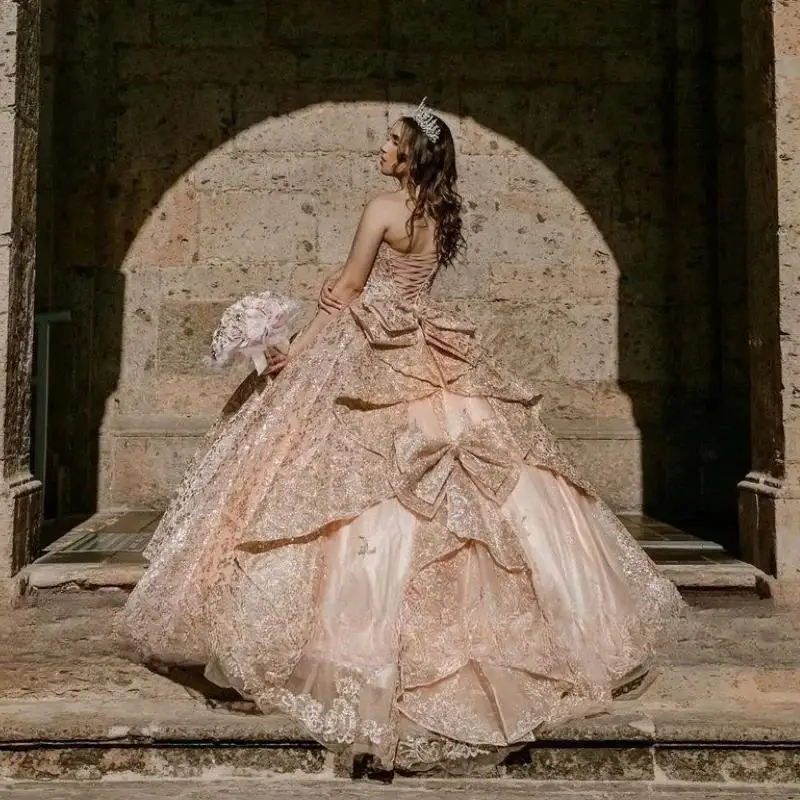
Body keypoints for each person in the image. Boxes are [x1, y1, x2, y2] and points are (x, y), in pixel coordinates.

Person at [119, 99, 684, 773]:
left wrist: (292, 352)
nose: (380, 151)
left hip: (371, 348)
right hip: (426, 345)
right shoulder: (443, 216)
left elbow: (353, 291)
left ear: (410, 155)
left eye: (390, 143)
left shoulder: (382, 210)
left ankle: (344, 651)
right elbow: (400, 288)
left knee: (339, 478)